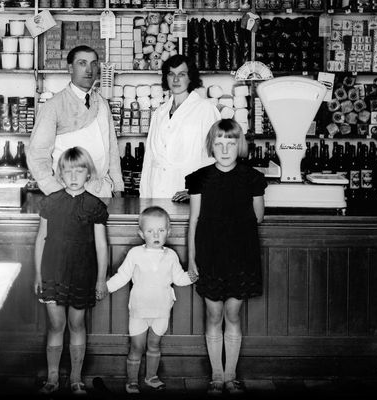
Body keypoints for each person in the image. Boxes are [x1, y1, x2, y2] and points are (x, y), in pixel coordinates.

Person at [185, 119, 267, 396]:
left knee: (233, 314)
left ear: (239, 145)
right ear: (211, 146)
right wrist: (192, 259)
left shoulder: (252, 177)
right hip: (210, 254)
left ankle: (231, 375)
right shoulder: (200, 178)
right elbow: (193, 220)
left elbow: (258, 216)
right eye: (218, 143)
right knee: (214, 313)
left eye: (230, 143)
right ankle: (216, 376)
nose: (224, 149)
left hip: (241, 255)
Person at [33, 147, 110, 395]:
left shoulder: (94, 206)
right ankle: (53, 377)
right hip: (53, 272)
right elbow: (41, 239)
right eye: (68, 171)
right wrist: (37, 274)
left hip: (82, 273)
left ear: (88, 173)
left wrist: (100, 280)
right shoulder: (50, 202)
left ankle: (76, 377)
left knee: (77, 324)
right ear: (60, 174)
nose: (74, 176)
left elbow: (101, 245)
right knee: (56, 324)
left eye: (80, 170)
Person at [106, 206, 198, 394]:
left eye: (161, 230)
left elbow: (178, 279)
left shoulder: (171, 256)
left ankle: (151, 377)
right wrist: (103, 288)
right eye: (150, 231)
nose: (156, 234)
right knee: (137, 347)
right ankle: (132, 380)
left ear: (168, 232)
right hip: (139, 311)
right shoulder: (135, 254)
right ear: (141, 233)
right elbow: (122, 276)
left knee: (154, 345)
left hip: (162, 311)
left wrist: (192, 276)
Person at [28, 45, 124, 198]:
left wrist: (118, 187)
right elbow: (37, 154)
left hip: (101, 192)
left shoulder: (102, 103)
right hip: (68, 193)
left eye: (93, 63)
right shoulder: (54, 105)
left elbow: (112, 150)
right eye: (82, 63)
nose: (89, 70)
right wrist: (54, 191)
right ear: (70, 68)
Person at [139, 54, 220, 201]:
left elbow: (215, 157)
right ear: (166, 78)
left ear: (190, 77)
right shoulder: (160, 112)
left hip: (188, 194)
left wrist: (198, 190)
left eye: (182, 74)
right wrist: (144, 198)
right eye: (171, 74)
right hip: (156, 192)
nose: (176, 80)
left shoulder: (206, 110)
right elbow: (149, 158)